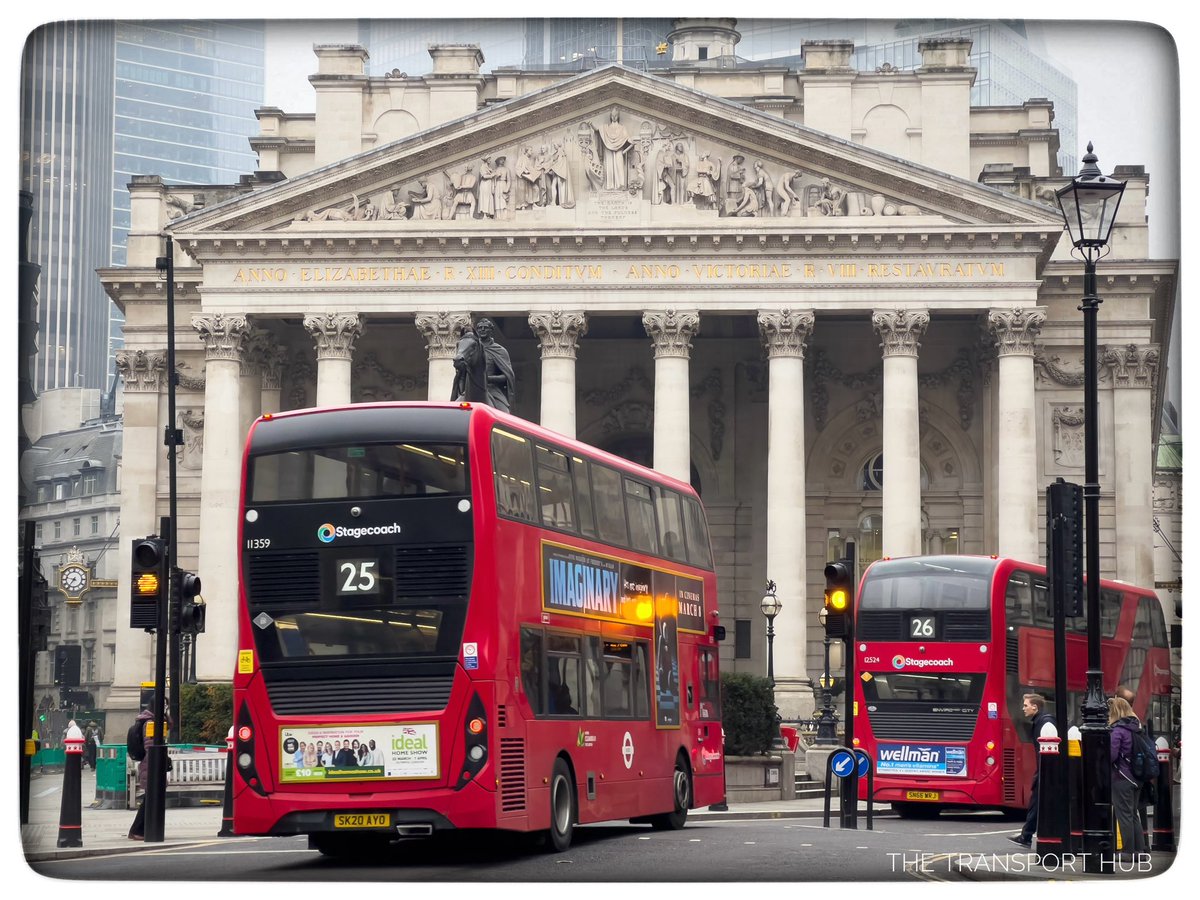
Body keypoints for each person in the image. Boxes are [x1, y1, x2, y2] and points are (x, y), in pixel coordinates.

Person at [1009, 692, 1054, 847]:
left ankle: (1027, 836)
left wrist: (1044, 773)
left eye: (1026, 705)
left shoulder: (1045, 723)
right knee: (1036, 803)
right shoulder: (1040, 721)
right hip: (1043, 770)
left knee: (1038, 803)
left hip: (1047, 771)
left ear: (1035, 707)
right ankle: (1026, 835)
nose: (1023, 708)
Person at [1109, 695, 1147, 856]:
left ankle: (1127, 852)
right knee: (1132, 815)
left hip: (1121, 777)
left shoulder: (1118, 730)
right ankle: (1139, 850)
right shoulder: (1136, 728)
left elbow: (1111, 755)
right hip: (1136, 778)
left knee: (1123, 815)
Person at [473, 318, 516, 412]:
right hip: (472, 387)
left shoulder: (500, 350)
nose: (482, 330)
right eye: (479, 328)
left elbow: (507, 376)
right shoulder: (471, 349)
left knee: (505, 413)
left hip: (491, 389)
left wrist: (488, 378)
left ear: (491, 331)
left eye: (485, 328)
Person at [127, 707, 155, 840]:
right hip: (150, 765)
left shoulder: (150, 721)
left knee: (150, 798)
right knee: (149, 798)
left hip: (150, 765)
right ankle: (136, 830)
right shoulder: (149, 723)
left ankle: (142, 829)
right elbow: (150, 746)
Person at [597, 106, 632, 190]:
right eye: (612, 116)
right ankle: (610, 186)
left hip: (619, 150)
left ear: (618, 116)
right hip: (608, 149)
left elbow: (630, 141)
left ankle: (621, 185)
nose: (614, 117)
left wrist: (627, 148)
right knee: (609, 166)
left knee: (619, 166)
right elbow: (598, 130)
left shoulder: (622, 128)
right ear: (610, 116)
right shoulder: (606, 128)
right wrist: (591, 126)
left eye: (616, 115)